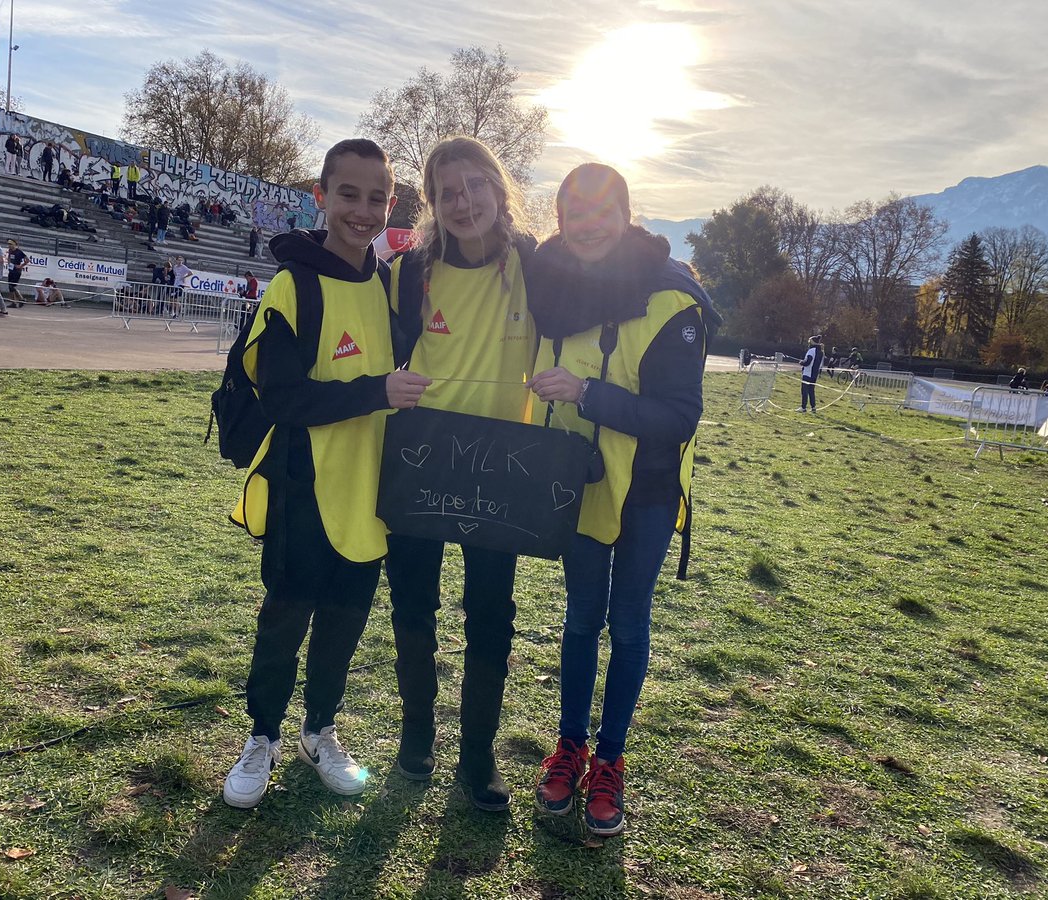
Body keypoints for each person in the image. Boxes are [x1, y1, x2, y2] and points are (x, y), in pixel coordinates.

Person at [221, 138, 431, 809]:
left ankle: (319, 732)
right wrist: (374, 390)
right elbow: (282, 400)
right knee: (285, 618)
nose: (362, 210)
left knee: (344, 620)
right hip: (303, 487)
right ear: (321, 195)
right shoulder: (293, 286)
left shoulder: (391, 285)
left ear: (391, 203)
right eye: (349, 194)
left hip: (371, 493)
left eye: (377, 197)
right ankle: (261, 737)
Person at [527, 163, 713, 837]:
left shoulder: (671, 297)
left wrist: (584, 393)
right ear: (560, 220)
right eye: (575, 212)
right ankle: (569, 745)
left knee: (628, 623)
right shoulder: (551, 284)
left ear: (626, 215)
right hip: (581, 483)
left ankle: (609, 759)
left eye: (603, 211)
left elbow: (677, 418)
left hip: (648, 492)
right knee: (581, 619)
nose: (589, 224)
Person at [385, 136, 537, 811]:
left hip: (500, 474)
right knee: (413, 604)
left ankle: (477, 755)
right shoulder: (409, 274)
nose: (464, 201)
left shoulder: (538, 268)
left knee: (490, 615)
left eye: (475, 185)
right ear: (433, 205)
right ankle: (416, 732)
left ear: (499, 190)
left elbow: (619, 272)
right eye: (448, 192)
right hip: (420, 464)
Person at [799, 334, 824, 413]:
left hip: (807, 374)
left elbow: (808, 361)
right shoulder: (821, 351)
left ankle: (803, 407)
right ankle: (813, 408)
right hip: (814, 375)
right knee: (811, 391)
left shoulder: (811, 350)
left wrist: (801, 362)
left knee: (804, 391)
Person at [6, 239, 29, 307]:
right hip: (11, 270)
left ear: (15, 245)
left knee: (12, 286)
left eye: (11, 244)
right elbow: (9, 258)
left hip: (16, 271)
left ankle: (21, 299)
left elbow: (27, 260)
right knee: (10, 287)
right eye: (9, 244)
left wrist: (21, 266)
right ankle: (13, 302)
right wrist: (9, 263)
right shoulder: (10, 251)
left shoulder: (19, 252)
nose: (9, 246)